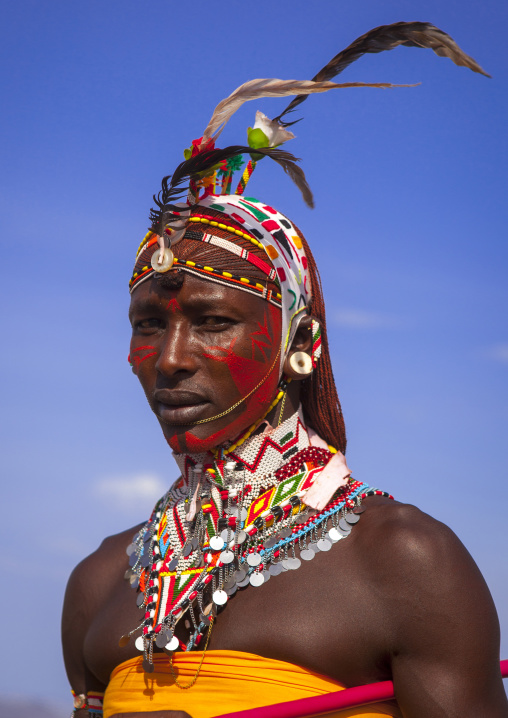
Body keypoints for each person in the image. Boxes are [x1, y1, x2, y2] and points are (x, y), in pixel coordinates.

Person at [62, 21, 508, 718]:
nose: (171, 359)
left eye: (212, 322)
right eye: (149, 324)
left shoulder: (407, 563)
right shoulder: (97, 582)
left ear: (299, 339)